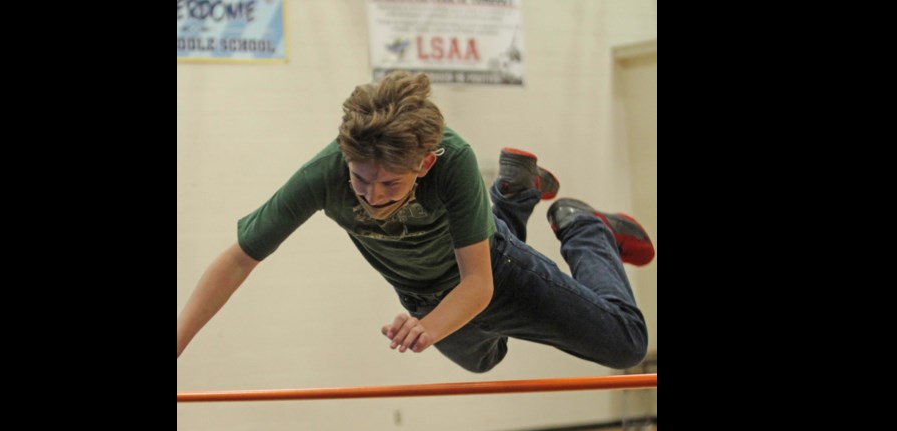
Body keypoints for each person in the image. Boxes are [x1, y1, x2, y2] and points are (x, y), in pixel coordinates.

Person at [176, 71, 653, 373]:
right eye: (361, 180)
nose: (373, 196)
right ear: (346, 156)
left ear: (424, 165)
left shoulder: (453, 159)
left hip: (494, 273)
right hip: (422, 293)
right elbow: (239, 260)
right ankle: (513, 191)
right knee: (485, 361)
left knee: (627, 345)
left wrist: (430, 328)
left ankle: (584, 227)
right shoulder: (322, 176)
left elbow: (478, 283)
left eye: (390, 185)